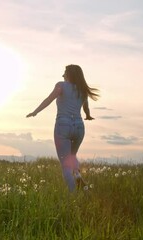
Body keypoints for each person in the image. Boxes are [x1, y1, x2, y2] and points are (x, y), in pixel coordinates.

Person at [26, 64, 99, 192]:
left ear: (69, 74)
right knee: (72, 156)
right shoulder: (82, 90)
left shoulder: (61, 85)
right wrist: (88, 116)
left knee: (65, 164)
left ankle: (73, 197)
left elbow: (49, 99)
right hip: (79, 127)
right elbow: (86, 108)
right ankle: (77, 174)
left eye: (64, 72)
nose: (62, 75)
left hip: (63, 125)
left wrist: (35, 111)